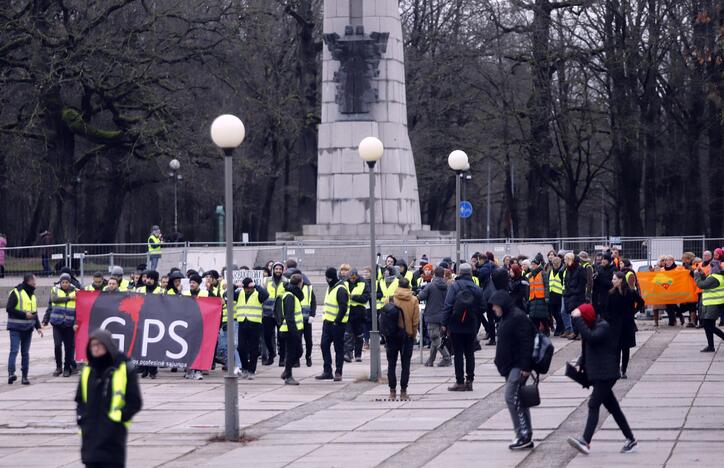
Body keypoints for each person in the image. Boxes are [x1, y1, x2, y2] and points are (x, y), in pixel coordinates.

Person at [568, 304, 637, 455]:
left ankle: (585, 441)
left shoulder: (603, 327)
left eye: (582, 320)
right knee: (614, 409)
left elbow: (591, 339)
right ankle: (630, 439)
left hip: (606, 375)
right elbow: (589, 346)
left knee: (593, 405)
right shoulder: (593, 326)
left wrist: (579, 319)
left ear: (586, 318)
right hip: (599, 374)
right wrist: (581, 362)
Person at [76, 329, 142, 468]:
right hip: (91, 435)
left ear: (108, 346)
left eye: (100, 344)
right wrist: (82, 419)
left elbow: (135, 401)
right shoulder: (88, 370)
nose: (96, 348)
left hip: (113, 437)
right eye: (93, 345)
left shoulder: (124, 368)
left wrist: (119, 419)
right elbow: (80, 400)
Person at [490, 290, 536, 450]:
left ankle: (523, 434)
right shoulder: (507, 317)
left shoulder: (517, 317)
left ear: (502, 305)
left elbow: (527, 342)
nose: (493, 309)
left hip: (518, 366)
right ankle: (525, 434)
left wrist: (526, 366)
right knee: (519, 399)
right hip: (510, 365)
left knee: (512, 397)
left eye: (495, 306)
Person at [442, 263, 485, 391]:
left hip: (456, 325)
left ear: (460, 273)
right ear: (471, 273)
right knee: (470, 353)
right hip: (471, 325)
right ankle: (470, 380)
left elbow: (448, 306)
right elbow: (483, 307)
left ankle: (459, 382)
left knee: (458, 353)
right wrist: (473, 312)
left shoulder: (455, 286)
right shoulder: (476, 288)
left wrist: (444, 323)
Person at [604, 272, 643, 379]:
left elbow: (641, 302)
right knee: (615, 349)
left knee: (625, 348)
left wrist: (633, 312)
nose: (612, 281)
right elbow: (606, 309)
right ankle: (616, 370)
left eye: (614, 279)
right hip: (615, 325)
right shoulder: (611, 293)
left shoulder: (630, 292)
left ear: (621, 280)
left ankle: (623, 370)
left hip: (627, 324)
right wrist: (609, 320)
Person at [386, 277, 420, 400]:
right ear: (409, 286)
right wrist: (413, 334)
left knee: (391, 364)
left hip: (392, 336)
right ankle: (403, 392)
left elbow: (384, 318)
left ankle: (392, 392)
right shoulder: (414, 300)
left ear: (398, 286)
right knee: (405, 365)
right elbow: (416, 321)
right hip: (407, 336)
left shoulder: (390, 299)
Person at [6, 273, 43, 384]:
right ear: (28, 281)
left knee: (25, 353)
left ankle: (24, 377)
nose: (35, 283)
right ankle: (11, 373)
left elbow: (34, 314)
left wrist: (38, 327)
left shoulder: (33, 295)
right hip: (15, 328)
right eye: (34, 281)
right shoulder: (16, 292)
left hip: (28, 329)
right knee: (14, 350)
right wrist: (24, 315)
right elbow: (9, 309)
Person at [316, 267, 349, 381]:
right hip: (327, 322)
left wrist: (337, 321)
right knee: (324, 345)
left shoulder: (340, 289)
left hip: (337, 325)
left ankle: (338, 372)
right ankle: (327, 371)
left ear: (329, 278)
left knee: (338, 348)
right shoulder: (330, 287)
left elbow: (343, 307)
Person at [284, 260, 317, 367]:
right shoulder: (291, 289)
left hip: (307, 318)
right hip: (297, 319)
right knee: (297, 341)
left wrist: (312, 314)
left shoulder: (308, 287)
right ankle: (296, 360)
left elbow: (313, 301)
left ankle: (308, 356)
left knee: (309, 341)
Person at [44, 273, 77, 377]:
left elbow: (79, 309)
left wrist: (76, 323)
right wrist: (69, 298)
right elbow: (54, 300)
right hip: (57, 323)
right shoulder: (55, 290)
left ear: (70, 282)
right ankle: (58, 367)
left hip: (69, 324)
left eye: (67, 282)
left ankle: (67, 368)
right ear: (60, 282)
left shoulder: (76, 291)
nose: (65, 284)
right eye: (63, 282)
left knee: (68, 347)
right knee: (57, 345)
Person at [235, 277, 269, 379]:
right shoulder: (239, 293)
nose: (247, 290)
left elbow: (266, 295)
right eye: (245, 288)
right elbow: (227, 294)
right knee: (241, 347)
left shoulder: (258, 293)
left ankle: (252, 370)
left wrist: (256, 286)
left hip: (255, 323)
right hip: (242, 322)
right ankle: (245, 367)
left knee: (253, 348)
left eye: (249, 288)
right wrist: (235, 286)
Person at [418, 266, 452, 367]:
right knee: (436, 338)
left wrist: (419, 291)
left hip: (432, 315)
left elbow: (421, 296)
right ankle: (431, 360)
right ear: (443, 275)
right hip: (443, 316)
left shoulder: (430, 286)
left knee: (434, 337)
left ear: (434, 274)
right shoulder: (447, 286)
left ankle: (446, 358)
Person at [279, 274, 305, 385]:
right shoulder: (290, 296)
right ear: (300, 283)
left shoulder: (293, 294)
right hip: (290, 330)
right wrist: (294, 333)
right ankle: (288, 376)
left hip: (295, 329)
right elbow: (289, 317)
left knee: (297, 352)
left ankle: (286, 371)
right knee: (292, 352)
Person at [694, 262, 724, 352]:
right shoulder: (717, 276)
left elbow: (702, 285)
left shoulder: (714, 278)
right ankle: (710, 346)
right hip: (713, 304)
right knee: (708, 326)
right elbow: (707, 281)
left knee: (708, 325)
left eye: (710, 268)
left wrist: (696, 276)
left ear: (714, 269)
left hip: (714, 304)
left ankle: (712, 345)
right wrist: (702, 274)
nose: (709, 270)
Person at [262, 262, 286, 366]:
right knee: (267, 336)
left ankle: (282, 358)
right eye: (276, 269)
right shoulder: (266, 280)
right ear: (273, 270)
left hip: (280, 313)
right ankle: (271, 354)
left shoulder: (286, 281)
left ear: (282, 270)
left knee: (282, 337)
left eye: (280, 269)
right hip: (267, 313)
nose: (278, 271)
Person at [345, 269, 369, 363]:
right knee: (348, 334)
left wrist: (353, 297)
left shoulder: (363, 283)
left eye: (354, 278)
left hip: (359, 312)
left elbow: (366, 297)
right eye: (351, 278)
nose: (352, 280)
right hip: (348, 311)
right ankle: (348, 354)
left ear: (357, 276)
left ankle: (358, 355)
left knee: (359, 335)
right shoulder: (345, 283)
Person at [563, 253, 586, 339]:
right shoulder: (568, 269)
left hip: (578, 295)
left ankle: (580, 332)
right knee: (572, 314)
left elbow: (583, 283)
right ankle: (575, 332)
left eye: (566, 259)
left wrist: (575, 291)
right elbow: (566, 281)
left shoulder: (580, 269)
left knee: (578, 315)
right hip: (570, 294)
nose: (564, 261)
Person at [527, 256, 549, 334]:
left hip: (541, 297)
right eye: (532, 264)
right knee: (533, 316)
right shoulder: (530, 275)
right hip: (533, 297)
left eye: (534, 264)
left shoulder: (543, 273)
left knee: (543, 316)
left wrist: (546, 297)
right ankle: (535, 331)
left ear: (537, 265)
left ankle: (546, 330)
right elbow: (529, 288)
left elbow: (546, 286)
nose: (532, 266)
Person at [547, 256, 565, 336]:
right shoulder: (550, 271)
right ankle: (560, 327)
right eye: (554, 263)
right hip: (552, 295)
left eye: (557, 263)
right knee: (553, 313)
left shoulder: (562, 271)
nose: (555, 264)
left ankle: (559, 329)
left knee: (559, 313)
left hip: (560, 295)